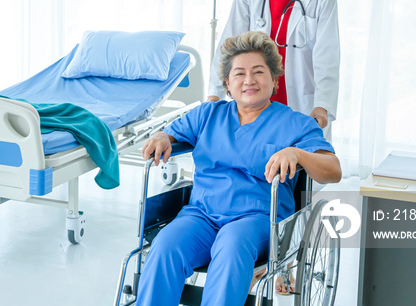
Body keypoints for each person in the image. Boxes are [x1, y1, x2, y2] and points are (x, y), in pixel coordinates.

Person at [135, 31, 342, 306]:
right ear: (227, 84)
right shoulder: (207, 114)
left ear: (274, 79)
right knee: (165, 246)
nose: (249, 80)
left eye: (258, 72)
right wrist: (162, 137)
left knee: (231, 244)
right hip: (202, 216)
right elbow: (170, 133)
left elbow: (333, 170)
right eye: (239, 74)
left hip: (257, 220)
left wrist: (297, 153)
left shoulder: (296, 124)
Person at [208, 0, 340, 139]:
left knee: (297, 164)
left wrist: (322, 105)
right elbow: (229, 44)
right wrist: (214, 95)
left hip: (299, 99)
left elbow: (327, 54)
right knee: (256, 165)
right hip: (256, 95)